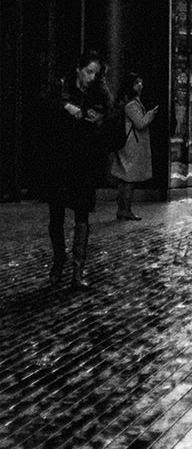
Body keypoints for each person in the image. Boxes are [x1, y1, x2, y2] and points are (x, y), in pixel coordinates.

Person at [41, 51, 111, 290]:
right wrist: (67, 108)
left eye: (95, 73)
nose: (92, 77)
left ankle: (78, 270)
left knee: (82, 214)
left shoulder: (99, 93)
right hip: (60, 160)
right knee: (56, 214)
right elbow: (46, 110)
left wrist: (97, 119)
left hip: (84, 162)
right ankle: (58, 264)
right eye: (88, 71)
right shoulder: (62, 88)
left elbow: (108, 120)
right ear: (78, 69)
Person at [109, 73, 157, 220]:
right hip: (131, 145)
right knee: (130, 179)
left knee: (125, 178)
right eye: (138, 83)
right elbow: (140, 123)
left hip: (128, 144)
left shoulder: (129, 102)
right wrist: (150, 114)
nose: (140, 85)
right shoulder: (131, 104)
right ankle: (125, 209)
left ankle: (123, 209)